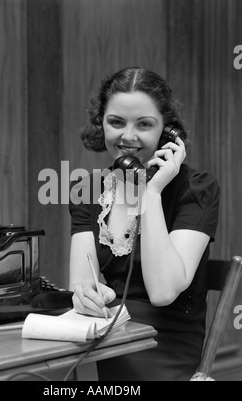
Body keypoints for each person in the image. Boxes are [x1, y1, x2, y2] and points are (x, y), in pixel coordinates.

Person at [68, 67, 220, 381]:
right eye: (116, 122)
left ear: (168, 133)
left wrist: (150, 190)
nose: (128, 136)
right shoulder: (87, 190)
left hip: (166, 348)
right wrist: (87, 296)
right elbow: (82, 284)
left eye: (144, 124)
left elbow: (163, 291)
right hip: (106, 339)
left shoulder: (197, 188)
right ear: (102, 125)